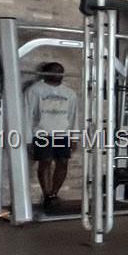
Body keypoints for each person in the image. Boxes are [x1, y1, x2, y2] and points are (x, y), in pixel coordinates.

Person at [25, 61, 80, 210]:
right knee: (46, 162)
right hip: (41, 134)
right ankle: (47, 195)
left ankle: (54, 194)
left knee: (63, 162)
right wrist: (28, 139)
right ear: (45, 73)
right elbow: (27, 116)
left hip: (62, 134)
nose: (57, 74)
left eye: (60, 71)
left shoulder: (69, 93)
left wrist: (74, 137)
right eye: (54, 71)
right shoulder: (34, 90)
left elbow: (73, 116)